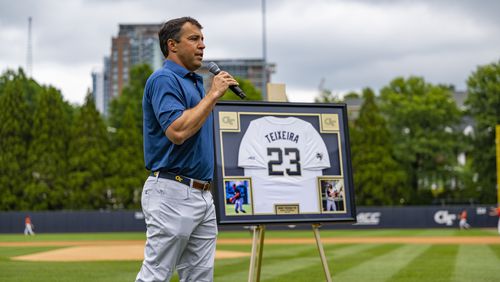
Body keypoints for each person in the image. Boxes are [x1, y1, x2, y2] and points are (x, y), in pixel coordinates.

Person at [136, 17, 238, 282]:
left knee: (200, 278)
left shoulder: (194, 81)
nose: (202, 46)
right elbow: (177, 132)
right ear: (172, 45)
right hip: (172, 189)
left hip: (203, 193)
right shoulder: (163, 79)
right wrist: (213, 95)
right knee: (155, 274)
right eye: (194, 39)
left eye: (203, 39)